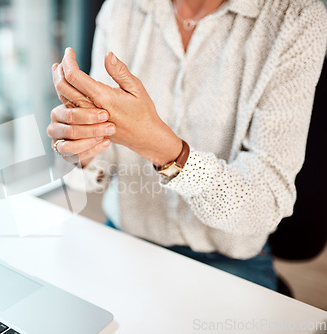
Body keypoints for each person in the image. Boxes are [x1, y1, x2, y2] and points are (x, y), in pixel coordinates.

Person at [46, 0, 327, 291]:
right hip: (126, 239)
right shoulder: (121, 8)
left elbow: (266, 201)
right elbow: (98, 171)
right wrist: (81, 147)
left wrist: (161, 147)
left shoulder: (295, 15)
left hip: (227, 262)